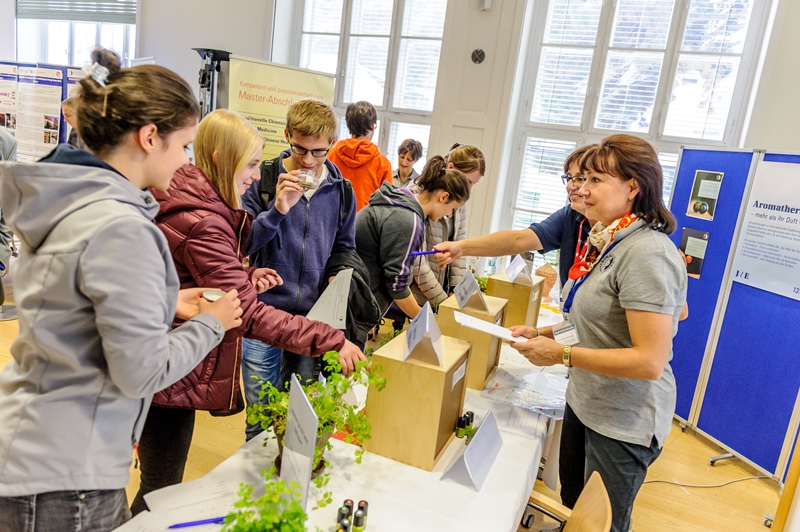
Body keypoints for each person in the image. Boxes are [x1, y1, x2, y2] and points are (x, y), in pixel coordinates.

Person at [0, 48, 243, 531]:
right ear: (150, 137)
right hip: (66, 474)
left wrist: (165, 302)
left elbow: (67, 300)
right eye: (184, 146)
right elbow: (142, 371)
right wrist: (212, 325)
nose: (186, 162)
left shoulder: (72, 201)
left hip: (33, 448)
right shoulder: (121, 227)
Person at [130, 109, 365, 514]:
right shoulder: (204, 217)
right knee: (160, 488)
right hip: (169, 363)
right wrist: (331, 338)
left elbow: (209, 267)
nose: (257, 176)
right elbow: (248, 313)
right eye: (252, 164)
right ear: (222, 157)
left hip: (169, 355)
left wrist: (245, 273)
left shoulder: (196, 200)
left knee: (159, 481)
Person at [507, 134, 688, 532]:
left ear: (633, 187)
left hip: (623, 420)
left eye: (594, 181)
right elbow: (591, 325)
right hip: (587, 400)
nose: (580, 190)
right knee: (575, 508)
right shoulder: (606, 241)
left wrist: (561, 355)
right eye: (579, 180)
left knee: (600, 525)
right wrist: (543, 333)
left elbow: (649, 361)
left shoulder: (646, 252)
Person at [240, 99, 359, 440]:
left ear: (331, 145)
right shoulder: (262, 178)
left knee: (299, 417)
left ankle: (288, 486)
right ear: (287, 135)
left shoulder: (342, 190)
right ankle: (257, 490)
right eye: (300, 148)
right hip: (262, 315)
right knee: (259, 419)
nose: (308, 160)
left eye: (319, 152)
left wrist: (339, 274)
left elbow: (344, 247)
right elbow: (243, 245)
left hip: (312, 319)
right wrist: (277, 210)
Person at [433, 145, 595, 287]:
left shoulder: (616, 232)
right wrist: (461, 248)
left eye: (580, 178)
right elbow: (519, 239)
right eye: (569, 178)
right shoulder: (570, 215)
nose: (570, 186)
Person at [356, 155, 471, 323]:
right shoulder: (408, 219)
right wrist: (429, 319)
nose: (448, 215)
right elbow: (398, 286)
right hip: (355, 304)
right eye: (452, 209)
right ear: (444, 197)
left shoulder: (402, 202)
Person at [409, 143, 484, 307]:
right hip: (416, 291)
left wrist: (455, 288)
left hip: (440, 284)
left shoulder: (460, 197)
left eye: (474, 184)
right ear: (451, 167)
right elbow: (416, 261)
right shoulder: (418, 195)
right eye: (468, 181)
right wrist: (441, 300)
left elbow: (460, 243)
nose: (469, 188)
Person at [327, 101, 392, 211]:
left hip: (331, 220)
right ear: (372, 126)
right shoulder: (382, 164)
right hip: (365, 225)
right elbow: (387, 205)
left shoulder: (330, 155)